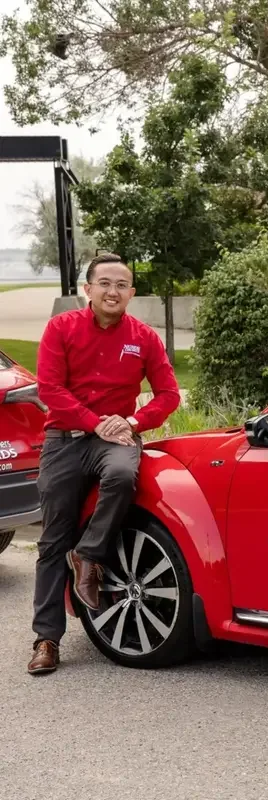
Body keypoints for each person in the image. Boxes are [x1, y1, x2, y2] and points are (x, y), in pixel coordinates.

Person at [28, 253, 181, 676]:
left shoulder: (143, 336)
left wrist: (132, 422)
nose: (113, 291)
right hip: (65, 441)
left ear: (131, 293)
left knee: (121, 474)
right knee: (52, 540)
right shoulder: (62, 328)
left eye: (122, 285)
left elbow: (169, 394)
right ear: (88, 289)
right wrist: (97, 423)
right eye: (105, 283)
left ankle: (89, 554)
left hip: (116, 439)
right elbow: (51, 389)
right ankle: (46, 639)